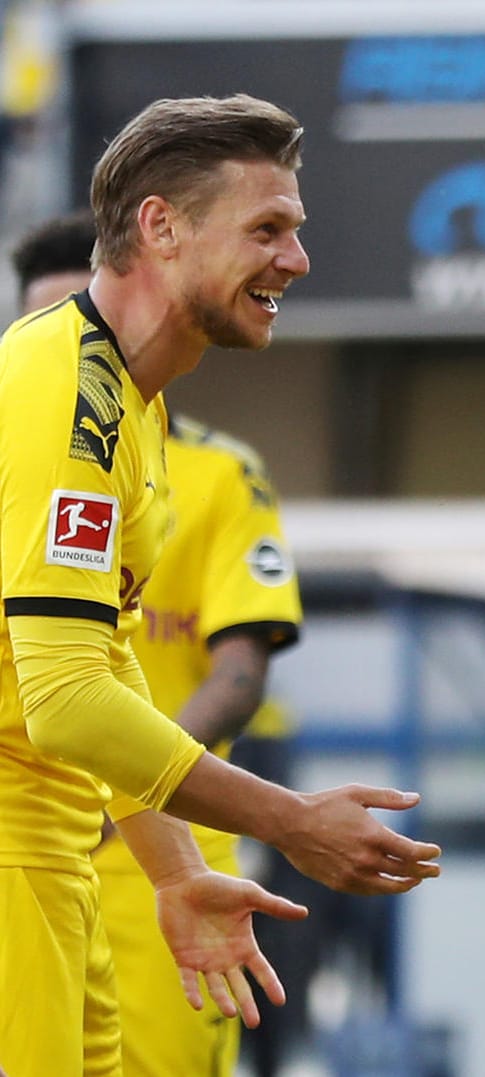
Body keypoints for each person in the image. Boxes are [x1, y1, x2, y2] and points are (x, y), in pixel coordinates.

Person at [0, 94, 440, 1075]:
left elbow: (101, 665)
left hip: (57, 855)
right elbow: (67, 703)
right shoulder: (69, 394)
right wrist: (289, 822)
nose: (296, 261)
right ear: (160, 227)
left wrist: (179, 868)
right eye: (268, 229)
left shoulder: (132, 403)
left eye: (296, 231)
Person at [12, 209, 308, 1077]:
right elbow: (68, 693)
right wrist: (291, 819)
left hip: (151, 822)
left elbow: (230, 670)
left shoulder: (197, 463)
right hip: (47, 817)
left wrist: (157, 824)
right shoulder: (48, 411)